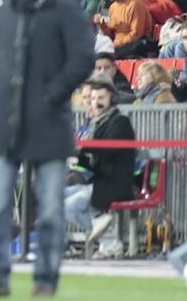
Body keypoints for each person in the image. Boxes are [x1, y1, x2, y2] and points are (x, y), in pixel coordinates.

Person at [0, 0, 95, 298]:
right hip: (4, 123)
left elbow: (83, 58)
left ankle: (45, 281)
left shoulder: (66, 9)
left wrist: (52, 94)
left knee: (50, 208)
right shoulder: (7, 11)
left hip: (48, 122)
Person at [64, 76, 135, 256]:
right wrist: (77, 159)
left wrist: (83, 148)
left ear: (111, 98)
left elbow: (108, 151)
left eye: (101, 98)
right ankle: (104, 233)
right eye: (93, 99)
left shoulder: (120, 122)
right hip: (100, 181)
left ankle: (108, 239)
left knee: (69, 206)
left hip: (114, 183)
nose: (96, 103)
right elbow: (95, 161)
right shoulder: (97, 124)